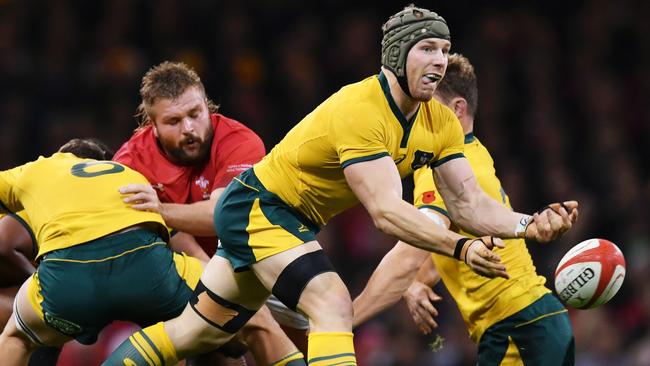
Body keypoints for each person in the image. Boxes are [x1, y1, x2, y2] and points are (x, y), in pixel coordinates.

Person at [104, 6, 578, 366]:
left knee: (195, 332)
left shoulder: (439, 122)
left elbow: (471, 203)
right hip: (260, 207)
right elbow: (385, 211)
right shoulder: (362, 109)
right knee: (330, 303)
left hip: (282, 220)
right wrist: (461, 248)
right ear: (395, 55)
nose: (439, 60)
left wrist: (528, 225)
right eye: (426, 49)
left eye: (444, 49)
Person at [352, 54, 575, 365]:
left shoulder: (444, 171)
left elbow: (407, 256)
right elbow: (439, 242)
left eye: (427, 108)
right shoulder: (470, 155)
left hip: (518, 328)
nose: (415, 117)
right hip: (530, 324)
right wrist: (418, 282)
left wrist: (346, 319)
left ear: (457, 109)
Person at [112, 61, 307, 365]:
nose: (189, 129)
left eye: (195, 114)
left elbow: (221, 216)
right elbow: (157, 236)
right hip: (175, 272)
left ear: (207, 106)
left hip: (250, 260)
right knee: (251, 326)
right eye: (173, 121)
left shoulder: (239, 142)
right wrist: (207, 276)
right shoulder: (130, 162)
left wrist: (158, 209)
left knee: (321, 324)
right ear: (152, 125)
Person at [0, 138, 207, 366]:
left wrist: (38, 279)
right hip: (145, 267)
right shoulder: (129, 179)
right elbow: (191, 250)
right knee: (180, 330)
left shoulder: (43, 175)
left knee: (20, 335)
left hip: (69, 282)